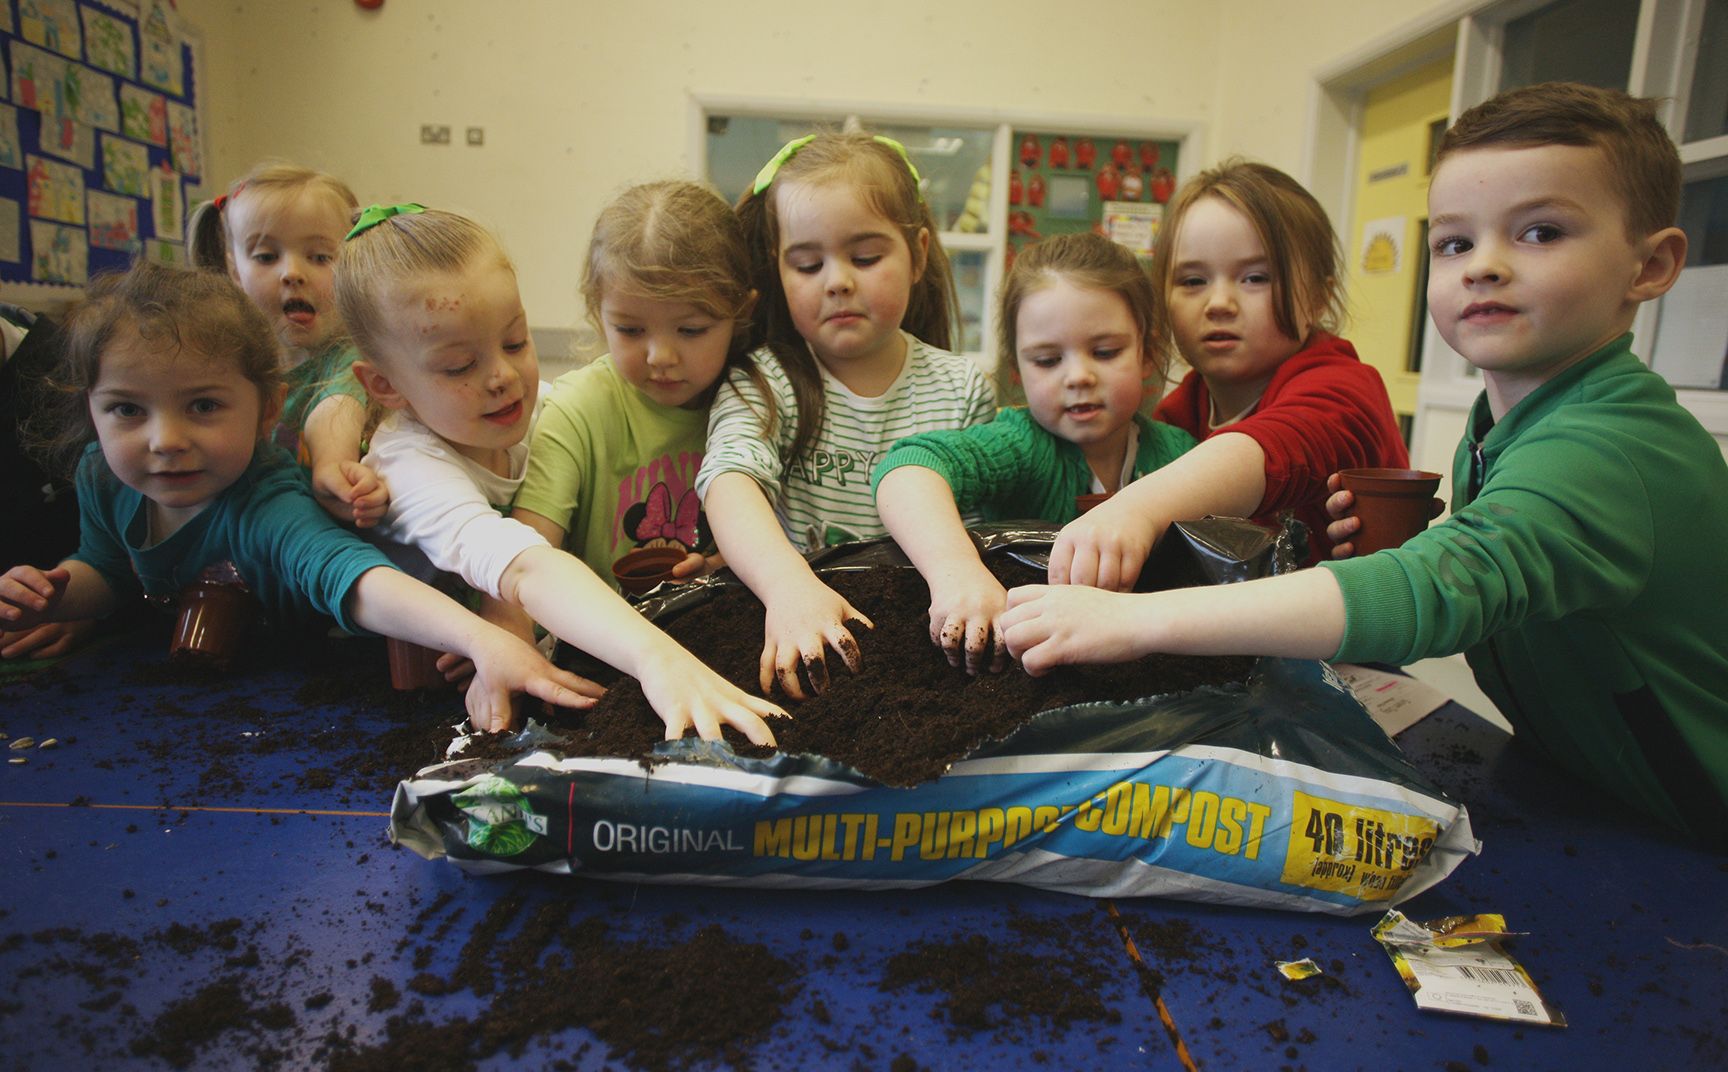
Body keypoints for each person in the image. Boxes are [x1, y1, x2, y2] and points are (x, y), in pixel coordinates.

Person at [1000, 82, 1728, 846]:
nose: (1484, 266)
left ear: (1651, 266)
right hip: (1589, 785)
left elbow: (1431, 587)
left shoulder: (1610, 445)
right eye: (1454, 243)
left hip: (1693, 817)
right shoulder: (1505, 426)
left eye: (1541, 232)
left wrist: (1136, 616)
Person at [0, 262, 598, 732]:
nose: (165, 441)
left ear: (267, 411)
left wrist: (484, 639)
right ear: (91, 411)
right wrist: (56, 593)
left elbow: (353, 577)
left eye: (203, 406)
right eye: (127, 409)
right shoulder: (102, 476)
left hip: (305, 688)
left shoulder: (267, 507)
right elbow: (107, 568)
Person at [337, 205, 785, 745]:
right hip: (385, 695)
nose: (502, 377)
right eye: (459, 367)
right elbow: (527, 567)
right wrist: (659, 661)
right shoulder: (408, 467)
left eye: (515, 342)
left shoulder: (537, 416)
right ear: (384, 385)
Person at [698, 132, 997, 699]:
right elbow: (729, 481)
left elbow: (982, 536)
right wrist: (787, 587)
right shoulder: (765, 383)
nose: (837, 280)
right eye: (807, 264)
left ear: (919, 256)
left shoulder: (962, 389)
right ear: (778, 272)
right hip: (806, 639)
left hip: (927, 640)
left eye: (865, 257)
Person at [1050, 160, 1407, 587]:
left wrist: (1135, 508)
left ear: (1317, 298)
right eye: (1192, 280)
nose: (1219, 302)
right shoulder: (1177, 414)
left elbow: (1277, 445)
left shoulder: (1346, 388)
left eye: (1255, 278)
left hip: (1340, 648)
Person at [873, 233, 1195, 674]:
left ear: (1147, 354)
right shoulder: (1021, 444)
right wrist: (956, 572)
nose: (1078, 376)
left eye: (1105, 352)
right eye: (1046, 360)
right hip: (1022, 663)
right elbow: (908, 467)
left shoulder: (1181, 454)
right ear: (1017, 373)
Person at [510, 181, 752, 591]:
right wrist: (506, 628)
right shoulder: (578, 410)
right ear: (596, 311)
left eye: (691, 330)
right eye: (630, 329)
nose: (659, 356)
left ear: (742, 313)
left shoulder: (759, 403)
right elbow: (527, 555)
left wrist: (719, 566)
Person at [188, 162, 386, 527]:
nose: (292, 273)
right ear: (234, 272)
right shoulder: (225, 362)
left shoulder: (349, 358)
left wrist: (332, 465)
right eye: (266, 257)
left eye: (320, 257)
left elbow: (335, 406)